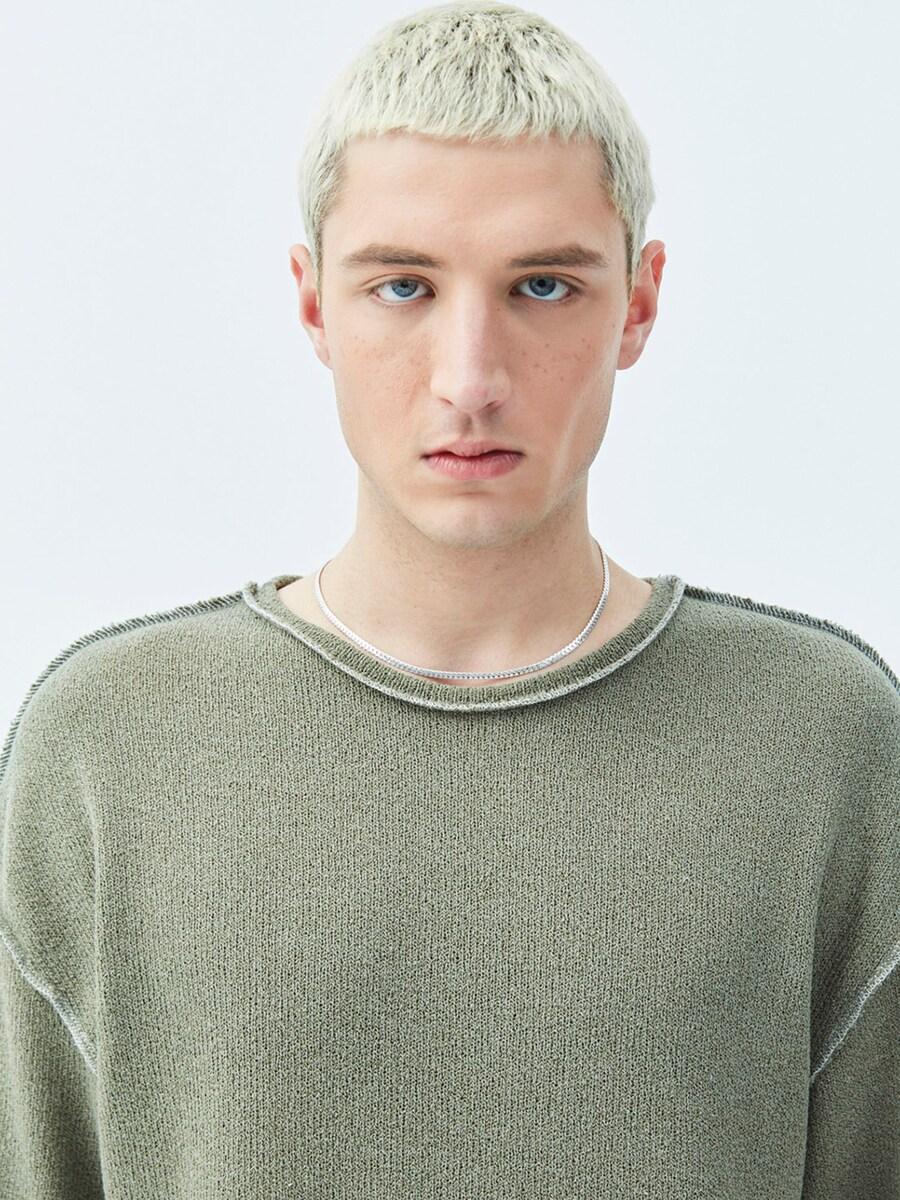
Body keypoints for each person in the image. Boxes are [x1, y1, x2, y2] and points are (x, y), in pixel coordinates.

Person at [1, 2, 897, 1196]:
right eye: (403, 287)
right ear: (313, 302)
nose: (470, 379)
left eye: (544, 285)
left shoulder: (821, 743)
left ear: (638, 302)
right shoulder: (112, 748)